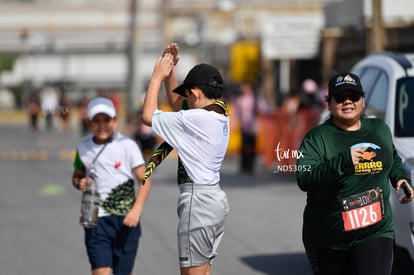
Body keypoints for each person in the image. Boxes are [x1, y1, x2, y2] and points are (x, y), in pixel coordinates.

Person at [296, 72, 414, 275]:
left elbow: (392, 158)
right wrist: (343, 161)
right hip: (329, 237)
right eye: (340, 97)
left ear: (363, 100)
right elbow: (305, 178)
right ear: (330, 103)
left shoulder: (379, 129)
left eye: (354, 96)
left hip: (375, 230)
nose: (348, 101)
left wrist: (399, 178)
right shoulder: (318, 137)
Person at [141, 43, 230, 275]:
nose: (186, 101)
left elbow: (147, 115)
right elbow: (174, 103)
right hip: (213, 199)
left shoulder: (197, 119)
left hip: (198, 202)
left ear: (197, 93)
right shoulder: (217, 114)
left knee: (191, 273)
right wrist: (171, 71)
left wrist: (156, 77)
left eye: (188, 96)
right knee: (202, 270)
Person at [71, 96, 151, 275]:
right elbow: (76, 177)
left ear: (115, 121)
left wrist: (136, 210)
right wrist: (80, 182)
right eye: (96, 121)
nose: (101, 125)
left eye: (106, 120)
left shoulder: (127, 146)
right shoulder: (83, 148)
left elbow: (144, 179)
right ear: (89, 122)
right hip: (94, 218)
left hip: (125, 219)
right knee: (101, 270)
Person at [233, 82, 271, 175]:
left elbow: (265, 109)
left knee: (252, 147)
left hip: (253, 127)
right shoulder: (240, 99)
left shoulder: (255, 99)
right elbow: (236, 113)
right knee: (244, 147)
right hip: (244, 127)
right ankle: (244, 166)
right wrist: (233, 123)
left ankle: (250, 166)